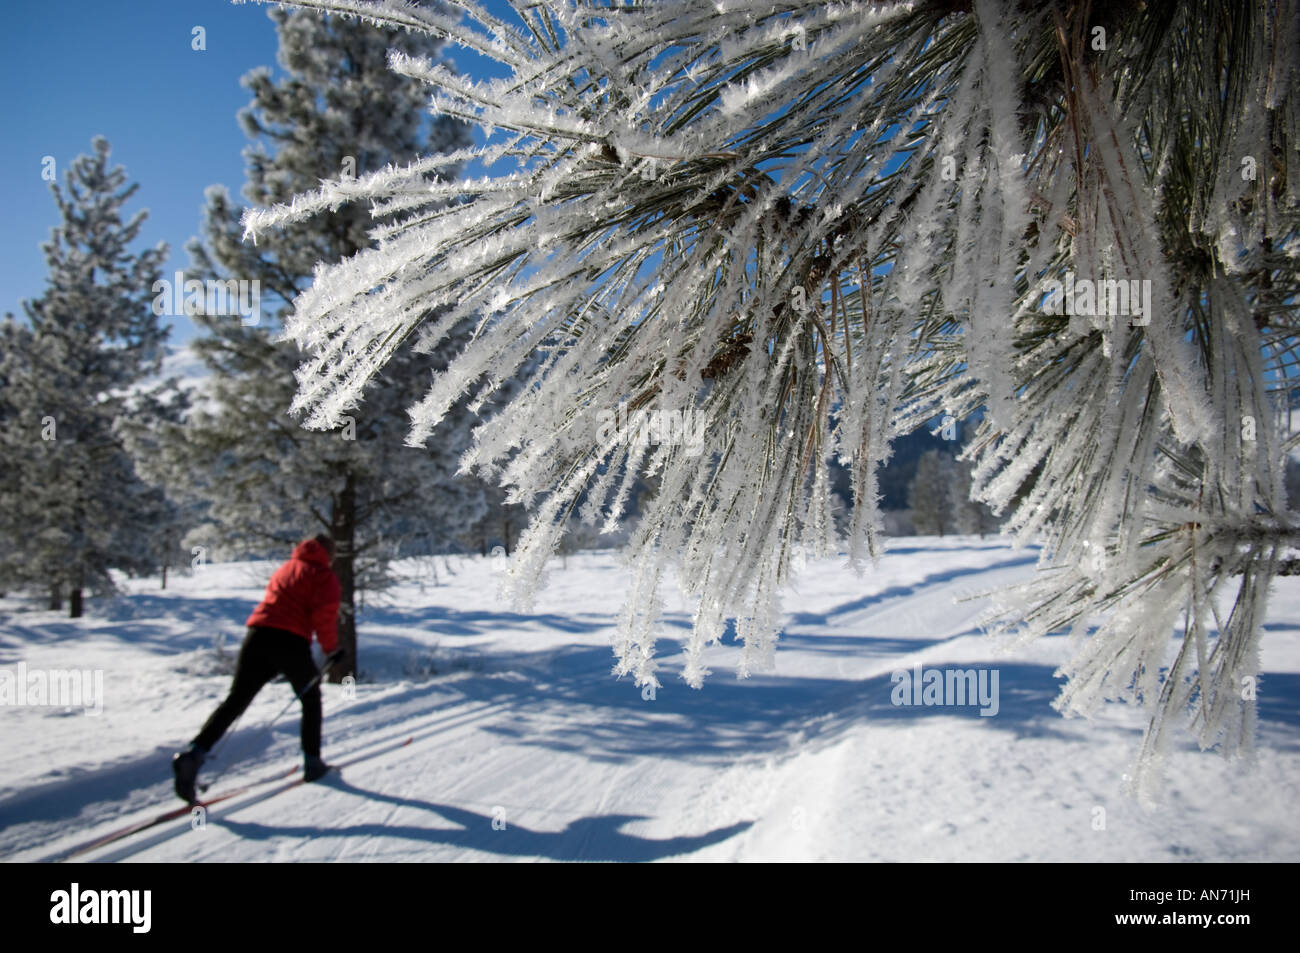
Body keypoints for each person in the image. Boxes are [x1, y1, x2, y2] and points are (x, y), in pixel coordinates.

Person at [172, 534, 345, 803]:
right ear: (329, 554)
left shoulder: (287, 568)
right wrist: (331, 648)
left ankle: (194, 754)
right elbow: (324, 616)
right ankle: (313, 763)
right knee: (311, 699)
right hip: (291, 641)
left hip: (257, 636)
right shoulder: (323, 576)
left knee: (236, 699)